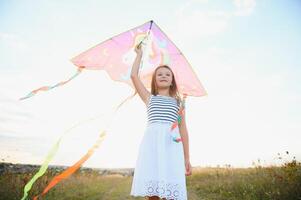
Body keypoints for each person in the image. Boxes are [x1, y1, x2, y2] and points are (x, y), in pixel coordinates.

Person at [130, 43, 192, 200]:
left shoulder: (179, 103)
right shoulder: (149, 98)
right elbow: (134, 76)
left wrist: (187, 158)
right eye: (159, 74)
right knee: (153, 191)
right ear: (154, 81)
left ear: (172, 81)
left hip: (172, 146)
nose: (164, 76)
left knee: (169, 189)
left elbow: (183, 130)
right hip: (152, 145)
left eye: (167, 74)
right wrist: (139, 54)